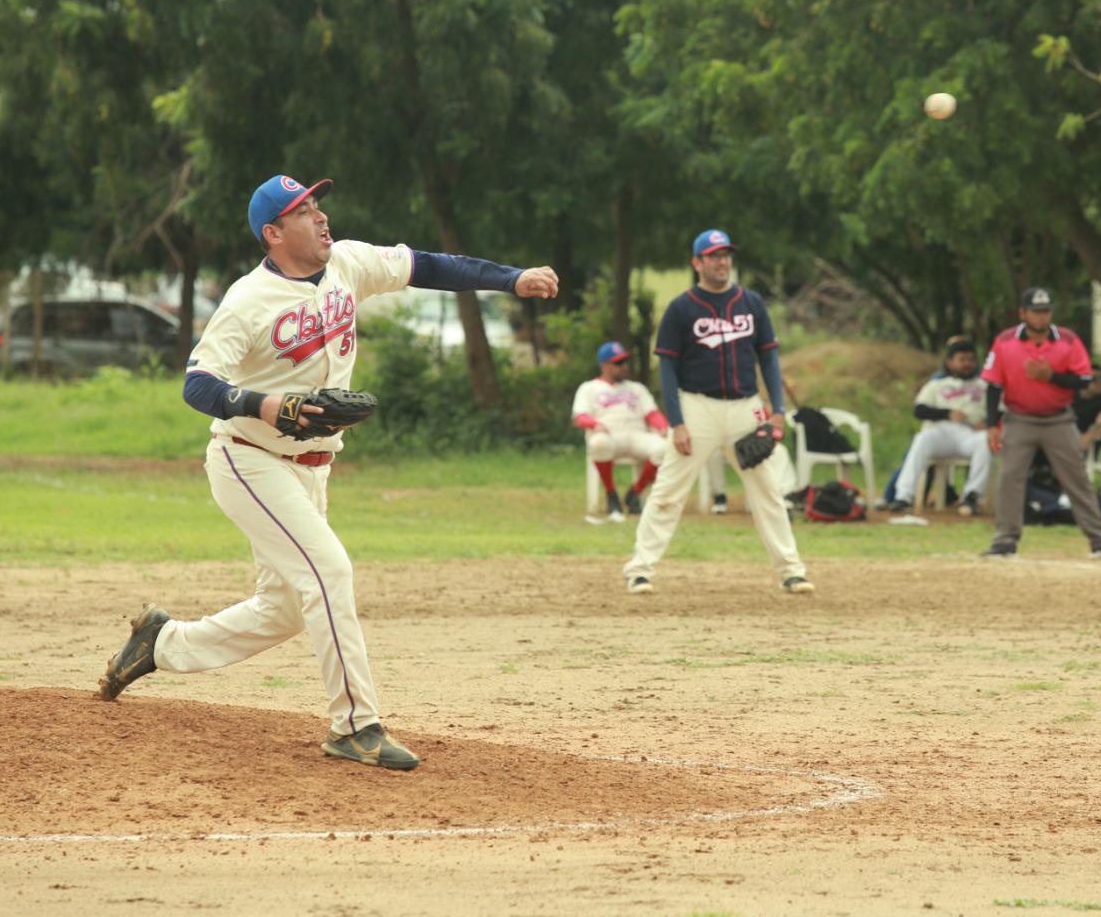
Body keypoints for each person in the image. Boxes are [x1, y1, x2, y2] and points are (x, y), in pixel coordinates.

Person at [97, 173, 558, 771]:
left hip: (313, 468)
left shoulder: (347, 264)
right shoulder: (247, 299)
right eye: (302, 210)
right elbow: (198, 382)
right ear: (273, 233)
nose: (319, 217)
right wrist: (267, 404)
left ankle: (161, 643)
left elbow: (428, 265)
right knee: (330, 571)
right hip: (249, 459)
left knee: (284, 609)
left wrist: (510, 278)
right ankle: (355, 726)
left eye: (317, 204)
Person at [622, 228, 813, 595]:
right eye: (713, 256)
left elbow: (768, 358)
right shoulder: (681, 308)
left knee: (768, 491)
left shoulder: (751, 303)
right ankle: (640, 569)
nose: (722, 261)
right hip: (698, 408)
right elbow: (667, 369)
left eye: (725, 255)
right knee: (668, 491)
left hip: (745, 408)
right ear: (697, 263)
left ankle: (791, 570)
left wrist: (777, 410)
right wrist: (676, 422)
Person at [979, 286, 1101, 560]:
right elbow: (992, 384)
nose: (1041, 317)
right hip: (1018, 417)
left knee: (1076, 479)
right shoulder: (1005, 341)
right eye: (1035, 312)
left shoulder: (1068, 341)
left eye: (1045, 311)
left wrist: (1052, 376)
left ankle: (1100, 541)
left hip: (1058, 419)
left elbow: (1084, 380)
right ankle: (1005, 541)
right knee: (1010, 477)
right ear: (1022, 313)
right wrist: (991, 424)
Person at [885, 338, 991, 515]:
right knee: (922, 439)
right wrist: (947, 413)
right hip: (942, 432)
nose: (967, 364)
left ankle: (972, 496)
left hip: (971, 433)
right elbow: (919, 410)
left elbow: (1003, 411)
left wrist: (989, 423)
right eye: (962, 359)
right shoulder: (937, 384)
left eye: (971, 359)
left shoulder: (984, 386)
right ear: (950, 362)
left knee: (985, 441)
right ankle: (903, 496)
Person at [572, 340, 669, 521]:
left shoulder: (636, 388)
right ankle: (611, 495)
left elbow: (652, 412)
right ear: (604, 365)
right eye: (618, 363)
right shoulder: (589, 388)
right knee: (598, 443)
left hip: (637, 434)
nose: (624, 367)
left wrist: (662, 425)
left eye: (625, 362)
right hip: (610, 435)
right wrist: (594, 424)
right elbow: (579, 416)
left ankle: (635, 492)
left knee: (665, 448)